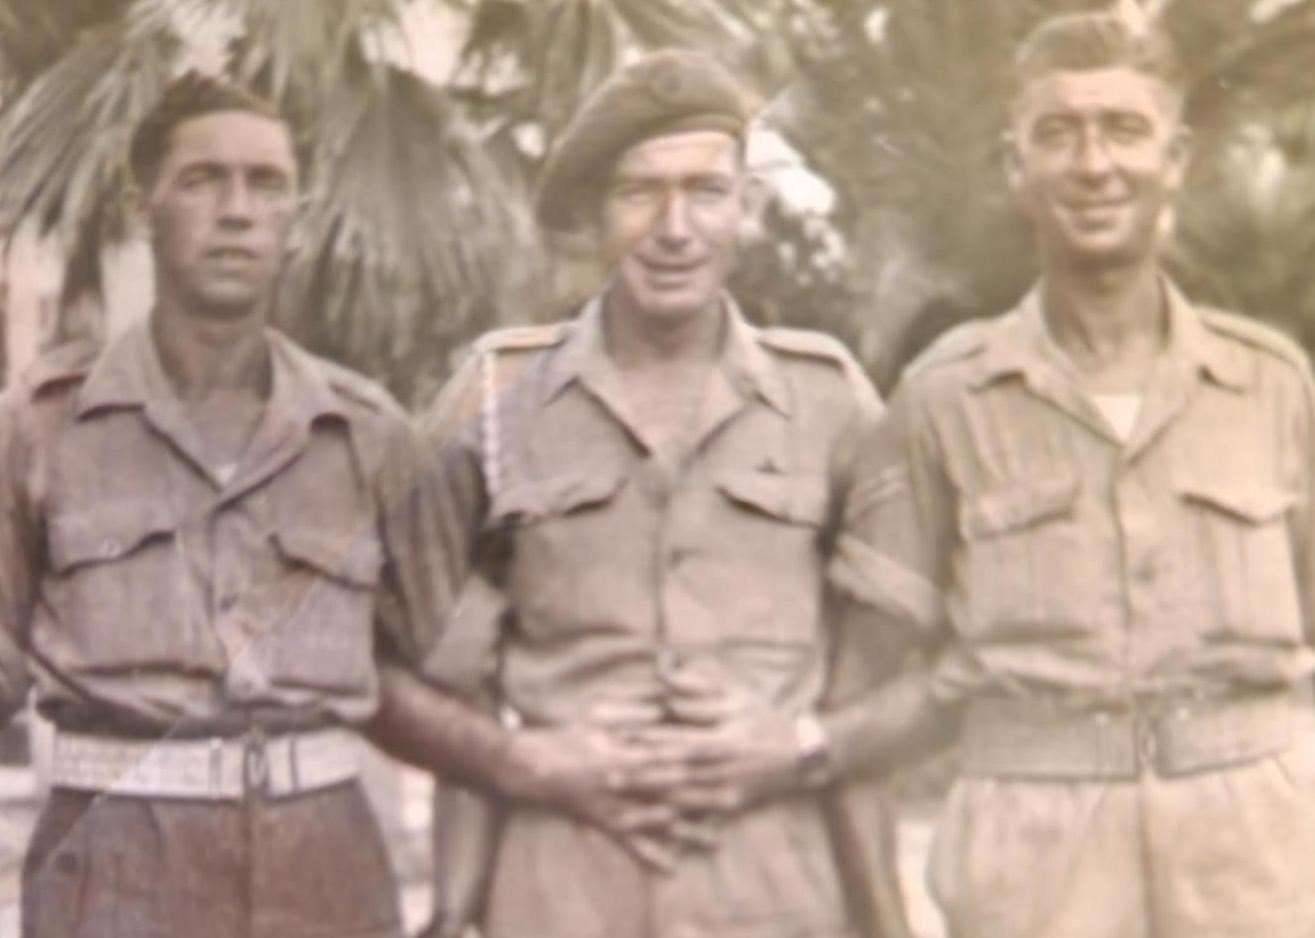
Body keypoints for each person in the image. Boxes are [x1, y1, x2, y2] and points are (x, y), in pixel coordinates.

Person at [371, 49, 913, 938]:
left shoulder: (830, 399)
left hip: (776, 888)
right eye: (639, 192)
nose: (674, 228)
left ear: (746, 210)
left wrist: (801, 745)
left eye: (706, 191)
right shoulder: (494, 396)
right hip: (559, 887)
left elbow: (926, 666)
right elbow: (374, 665)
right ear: (594, 214)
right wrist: (523, 763)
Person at [841, 10, 1315, 937]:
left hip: (1249, 865)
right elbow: (861, 687)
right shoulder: (942, 400)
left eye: (1124, 130)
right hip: (1032, 865)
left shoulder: (1272, 387)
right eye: (1057, 134)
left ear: (1174, 158)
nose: (1094, 165)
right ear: (1017, 169)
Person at [0, 74, 444, 938]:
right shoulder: (41, 431)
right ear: (144, 204)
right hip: (113, 866)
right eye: (204, 180)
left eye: (266, 183)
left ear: (295, 213)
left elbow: (436, 675)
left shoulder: (369, 433)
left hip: (327, 865)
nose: (237, 211)